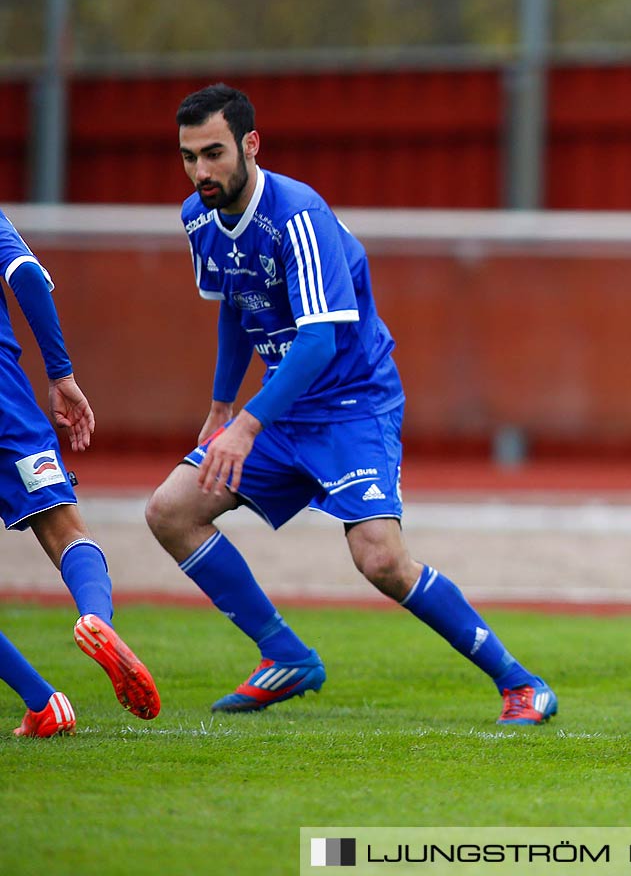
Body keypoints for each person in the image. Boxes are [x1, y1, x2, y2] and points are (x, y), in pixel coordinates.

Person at [143, 84, 555, 725]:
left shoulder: (297, 215)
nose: (201, 172)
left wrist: (247, 424)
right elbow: (236, 303)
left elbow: (319, 340)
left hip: (350, 404)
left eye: (214, 153)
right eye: (189, 157)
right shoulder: (200, 218)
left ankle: (521, 682)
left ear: (251, 144)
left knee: (381, 560)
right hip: (282, 410)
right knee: (170, 511)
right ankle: (284, 652)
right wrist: (222, 406)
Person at [1, 208, 160, 734]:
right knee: (65, 530)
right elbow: (24, 273)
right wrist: (60, 372)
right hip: (8, 399)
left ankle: (43, 701)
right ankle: (96, 618)